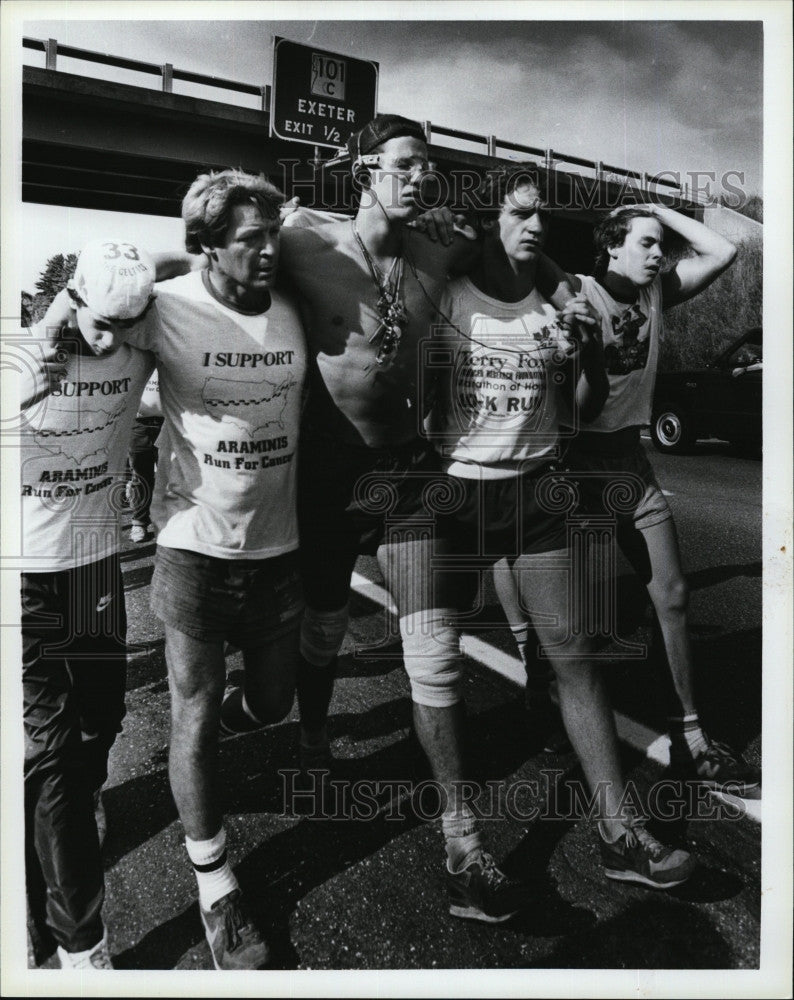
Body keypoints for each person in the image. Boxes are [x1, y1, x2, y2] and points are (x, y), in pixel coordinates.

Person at [264, 115, 575, 922]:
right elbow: (211, 254)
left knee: (430, 650)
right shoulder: (307, 243)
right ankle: (309, 736)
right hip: (331, 477)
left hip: (408, 471)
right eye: (405, 166)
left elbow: (524, 254)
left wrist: (583, 295)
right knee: (323, 625)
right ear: (364, 169)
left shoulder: (443, 245)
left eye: (428, 169)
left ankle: (462, 842)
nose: (420, 180)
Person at [427, 166, 696, 890]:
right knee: (435, 665)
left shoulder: (558, 302)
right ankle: (462, 839)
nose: (538, 226)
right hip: (456, 494)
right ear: (487, 224)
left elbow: (579, 406)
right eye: (520, 215)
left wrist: (585, 355)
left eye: (540, 215)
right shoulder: (442, 293)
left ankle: (618, 831)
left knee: (575, 657)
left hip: (538, 489)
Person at [497, 203, 759, 794]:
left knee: (672, 594)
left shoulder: (658, 294)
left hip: (633, 466)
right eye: (644, 243)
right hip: (577, 468)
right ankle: (548, 708)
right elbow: (522, 251)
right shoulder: (578, 290)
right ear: (611, 248)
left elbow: (723, 251)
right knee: (573, 622)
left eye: (660, 245)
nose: (657, 254)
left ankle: (692, 739)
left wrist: (656, 207)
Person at [128, 170, 307, 969]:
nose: (268, 250)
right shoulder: (166, 307)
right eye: (250, 239)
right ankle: (216, 889)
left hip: (280, 549)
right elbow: (75, 333)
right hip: (193, 549)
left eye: (273, 235)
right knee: (190, 715)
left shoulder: (296, 306)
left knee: (272, 703)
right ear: (207, 243)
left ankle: (221, 732)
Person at [20, 239, 156, 969]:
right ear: (71, 295)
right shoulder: (17, 354)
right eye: (101, 322)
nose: (111, 341)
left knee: (103, 718)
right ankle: (81, 945)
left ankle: (75, 804)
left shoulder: (142, 342)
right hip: (25, 573)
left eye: (127, 325)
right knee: (49, 751)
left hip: (97, 567)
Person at [126, 372, 163, 543]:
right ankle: (139, 523)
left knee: (171, 475)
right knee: (141, 475)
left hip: (169, 422)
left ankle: (168, 522)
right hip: (139, 423)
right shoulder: (138, 357)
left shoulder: (171, 354)